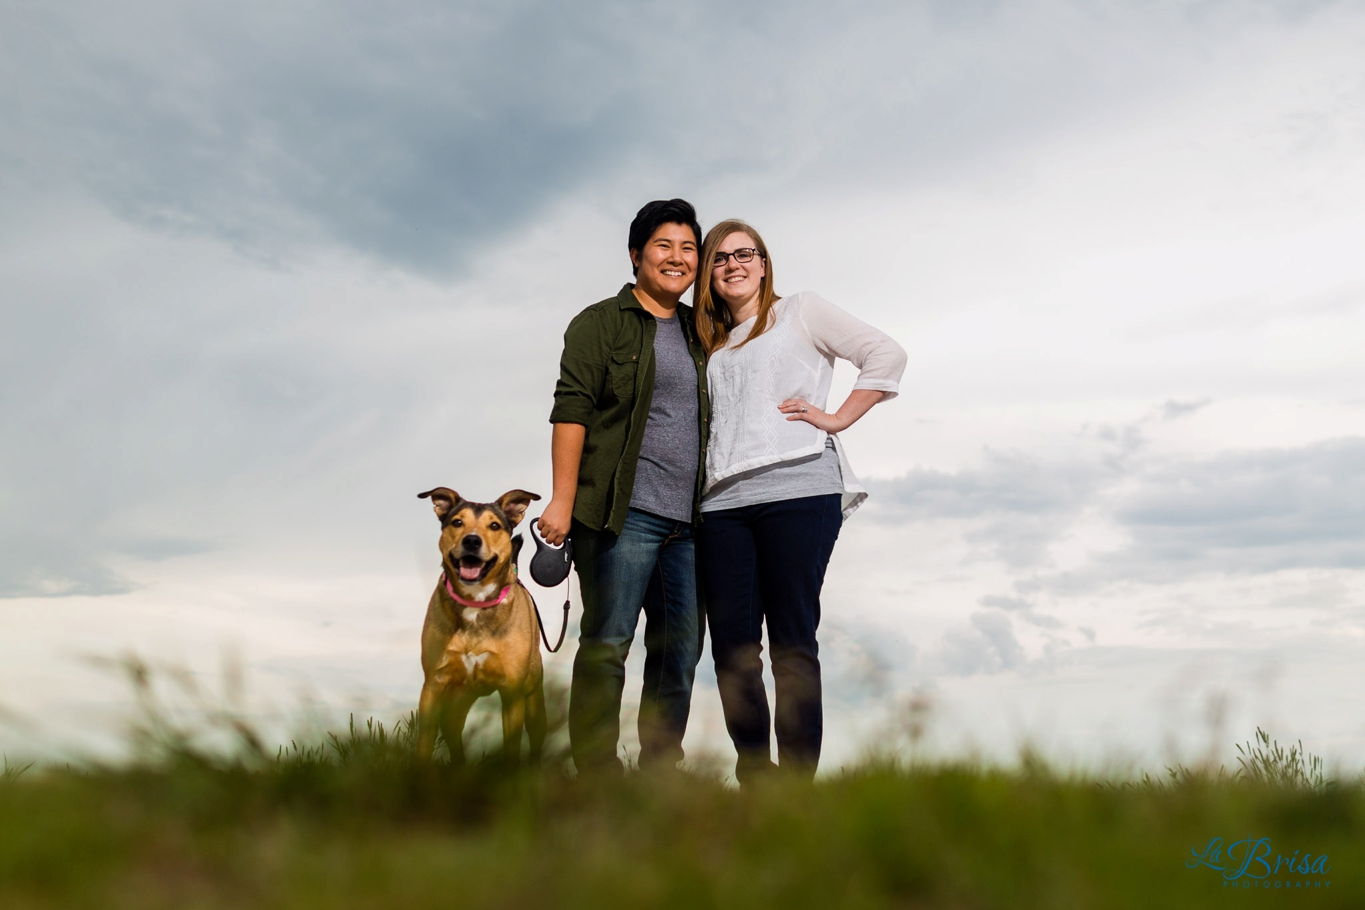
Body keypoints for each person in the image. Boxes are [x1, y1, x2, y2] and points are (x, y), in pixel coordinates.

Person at [694, 218, 907, 784]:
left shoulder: (801, 310)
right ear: (709, 274)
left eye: (745, 254)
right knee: (733, 650)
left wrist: (836, 418)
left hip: (799, 490)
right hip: (721, 505)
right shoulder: (711, 342)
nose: (733, 265)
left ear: (764, 264)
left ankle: (794, 791)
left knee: (792, 641)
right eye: (719, 258)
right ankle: (755, 779)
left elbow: (885, 354)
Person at [539, 199, 710, 775]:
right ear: (637, 254)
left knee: (680, 651)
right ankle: (596, 772)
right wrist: (561, 501)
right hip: (621, 513)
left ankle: (661, 771)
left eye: (688, 248)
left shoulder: (701, 330)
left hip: (691, 522)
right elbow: (572, 411)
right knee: (609, 645)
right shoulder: (600, 323)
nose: (677, 257)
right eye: (664, 245)